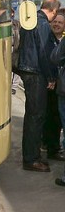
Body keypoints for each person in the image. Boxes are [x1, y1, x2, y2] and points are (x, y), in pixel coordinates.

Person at [18, 0, 60, 172]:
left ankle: (31, 155)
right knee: (36, 116)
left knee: (32, 115)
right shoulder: (43, 24)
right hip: (36, 73)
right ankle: (32, 158)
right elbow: (44, 52)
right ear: (54, 11)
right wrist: (51, 76)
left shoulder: (30, 20)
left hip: (28, 70)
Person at [41, 13, 65, 160]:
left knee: (57, 119)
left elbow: (54, 58)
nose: (56, 24)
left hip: (60, 85)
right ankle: (50, 145)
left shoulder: (61, 41)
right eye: (54, 21)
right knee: (51, 117)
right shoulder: (47, 38)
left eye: (60, 23)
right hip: (51, 84)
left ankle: (53, 147)